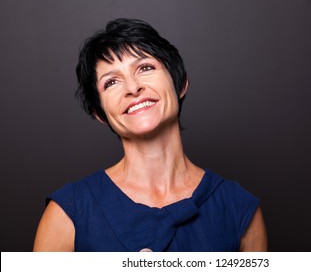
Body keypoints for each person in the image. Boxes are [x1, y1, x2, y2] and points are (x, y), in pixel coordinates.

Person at [33, 18, 267, 252]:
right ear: (100, 114)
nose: (132, 88)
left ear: (181, 83)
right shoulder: (67, 214)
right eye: (112, 82)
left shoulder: (239, 208)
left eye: (145, 68)